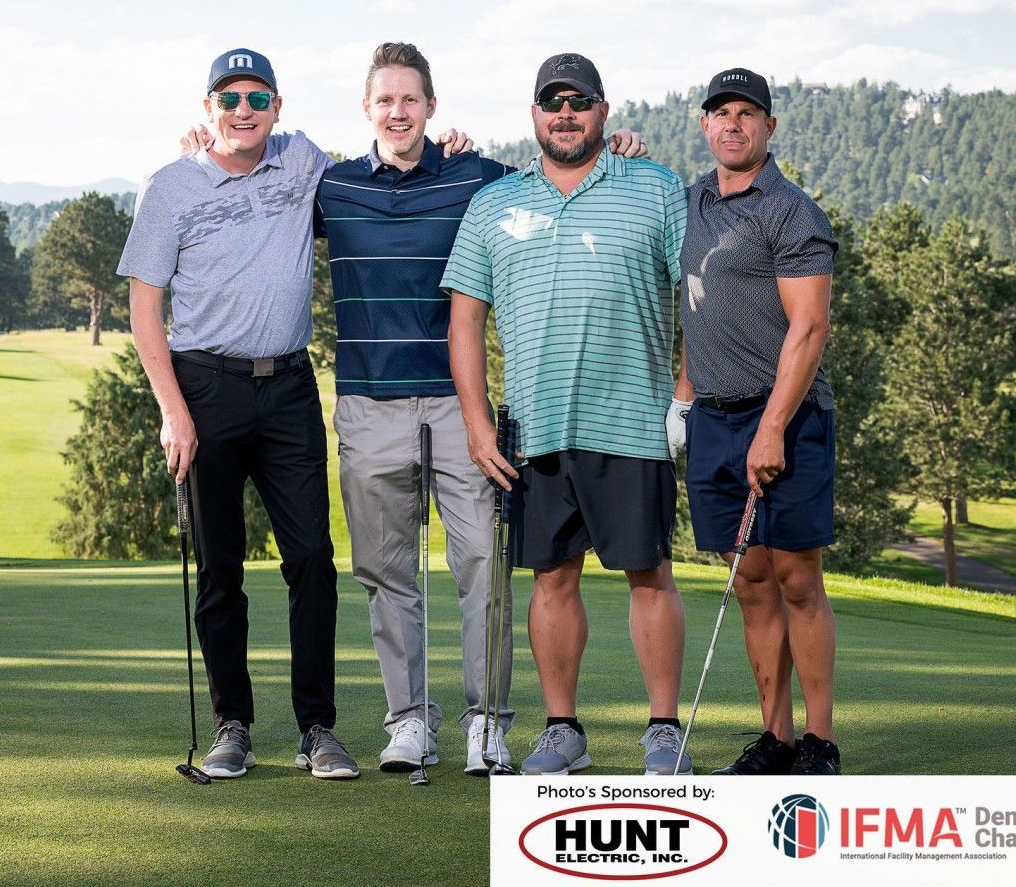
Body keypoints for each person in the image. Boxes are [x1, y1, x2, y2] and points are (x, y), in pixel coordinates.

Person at [318, 43, 648, 776]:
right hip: (368, 407)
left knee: (481, 565)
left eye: (410, 99)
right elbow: (257, 178)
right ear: (366, 110)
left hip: (458, 404)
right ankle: (408, 721)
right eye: (384, 101)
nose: (397, 112)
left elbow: (561, 172)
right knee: (386, 570)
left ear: (432, 107)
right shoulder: (331, 187)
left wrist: (617, 152)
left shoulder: (478, 179)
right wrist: (203, 144)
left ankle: (487, 722)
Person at [119, 47, 373, 781]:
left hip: (289, 388)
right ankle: (233, 725)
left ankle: (317, 728)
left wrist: (451, 144)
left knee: (312, 563)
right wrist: (173, 412)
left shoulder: (303, 163)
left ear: (278, 108)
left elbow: (377, 170)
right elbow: (145, 307)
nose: (242, 111)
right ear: (207, 110)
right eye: (227, 99)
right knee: (220, 568)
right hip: (205, 388)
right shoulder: (168, 187)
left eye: (256, 98)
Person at [442, 52, 691, 776]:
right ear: (533, 115)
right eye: (552, 102)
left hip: (634, 421)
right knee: (551, 578)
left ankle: (664, 731)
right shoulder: (494, 203)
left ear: (602, 111)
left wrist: (684, 395)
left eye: (578, 101)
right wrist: (476, 421)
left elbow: (699, 298)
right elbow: (464, 320)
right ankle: (562, 732)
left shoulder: (654, 187)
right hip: (534, 425)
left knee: (649, 574)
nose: (565, 113)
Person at [670, 67, 841, 775]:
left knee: (797, 575)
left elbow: (808, 328)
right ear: (704, 125)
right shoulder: (687, 203)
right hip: (713, 416)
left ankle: (818, 741)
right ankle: (773, 738)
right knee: (750, 578)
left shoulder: (789, 210)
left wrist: (771, 428)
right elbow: (693, 311)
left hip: (790, 417)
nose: (732, 124)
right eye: (720, 113)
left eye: (747, 113)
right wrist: (681, 404)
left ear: (769, 127)